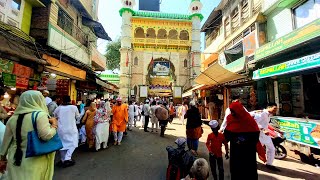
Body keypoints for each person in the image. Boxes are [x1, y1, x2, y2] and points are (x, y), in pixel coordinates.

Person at [0, 90, 58, 179]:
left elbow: (6, 142)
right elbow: (46, 136)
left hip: (15, 158)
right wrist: (54, 124)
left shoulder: (13, 118)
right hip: (35, 159)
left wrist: (2, 159)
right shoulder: (40, 115)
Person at [224, 101, 260, 180]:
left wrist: (244, 141)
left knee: (249, 171)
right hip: (236, 151)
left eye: (234, 111)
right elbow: (227, 135)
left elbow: (256, 135)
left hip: (248, 152)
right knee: (236, 171)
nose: (232, 113)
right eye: (231, 111)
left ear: (239, 111)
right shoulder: (230, 118)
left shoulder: (249, 120)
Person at [251, 103, 279, 171]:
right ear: (269, 107)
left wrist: (275, 129)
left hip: (266, 136)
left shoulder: (269, 115)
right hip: (259, 135)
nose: (275, 110)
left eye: (276, 109)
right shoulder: (262, 113)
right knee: (254, 150)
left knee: (271, 148)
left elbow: (266, 124)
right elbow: (254, 123)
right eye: (274, 108)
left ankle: (269, 164)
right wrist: (263, 129)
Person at [54, 96, 80, 167]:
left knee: (62, 144)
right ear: (70, 101)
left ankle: (63, 159)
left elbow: (54, 116)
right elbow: (78, 116)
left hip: (61, 129)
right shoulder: (74, 107)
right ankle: (67, 158)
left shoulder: (58, 108)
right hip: (71, 128)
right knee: (73, 143)